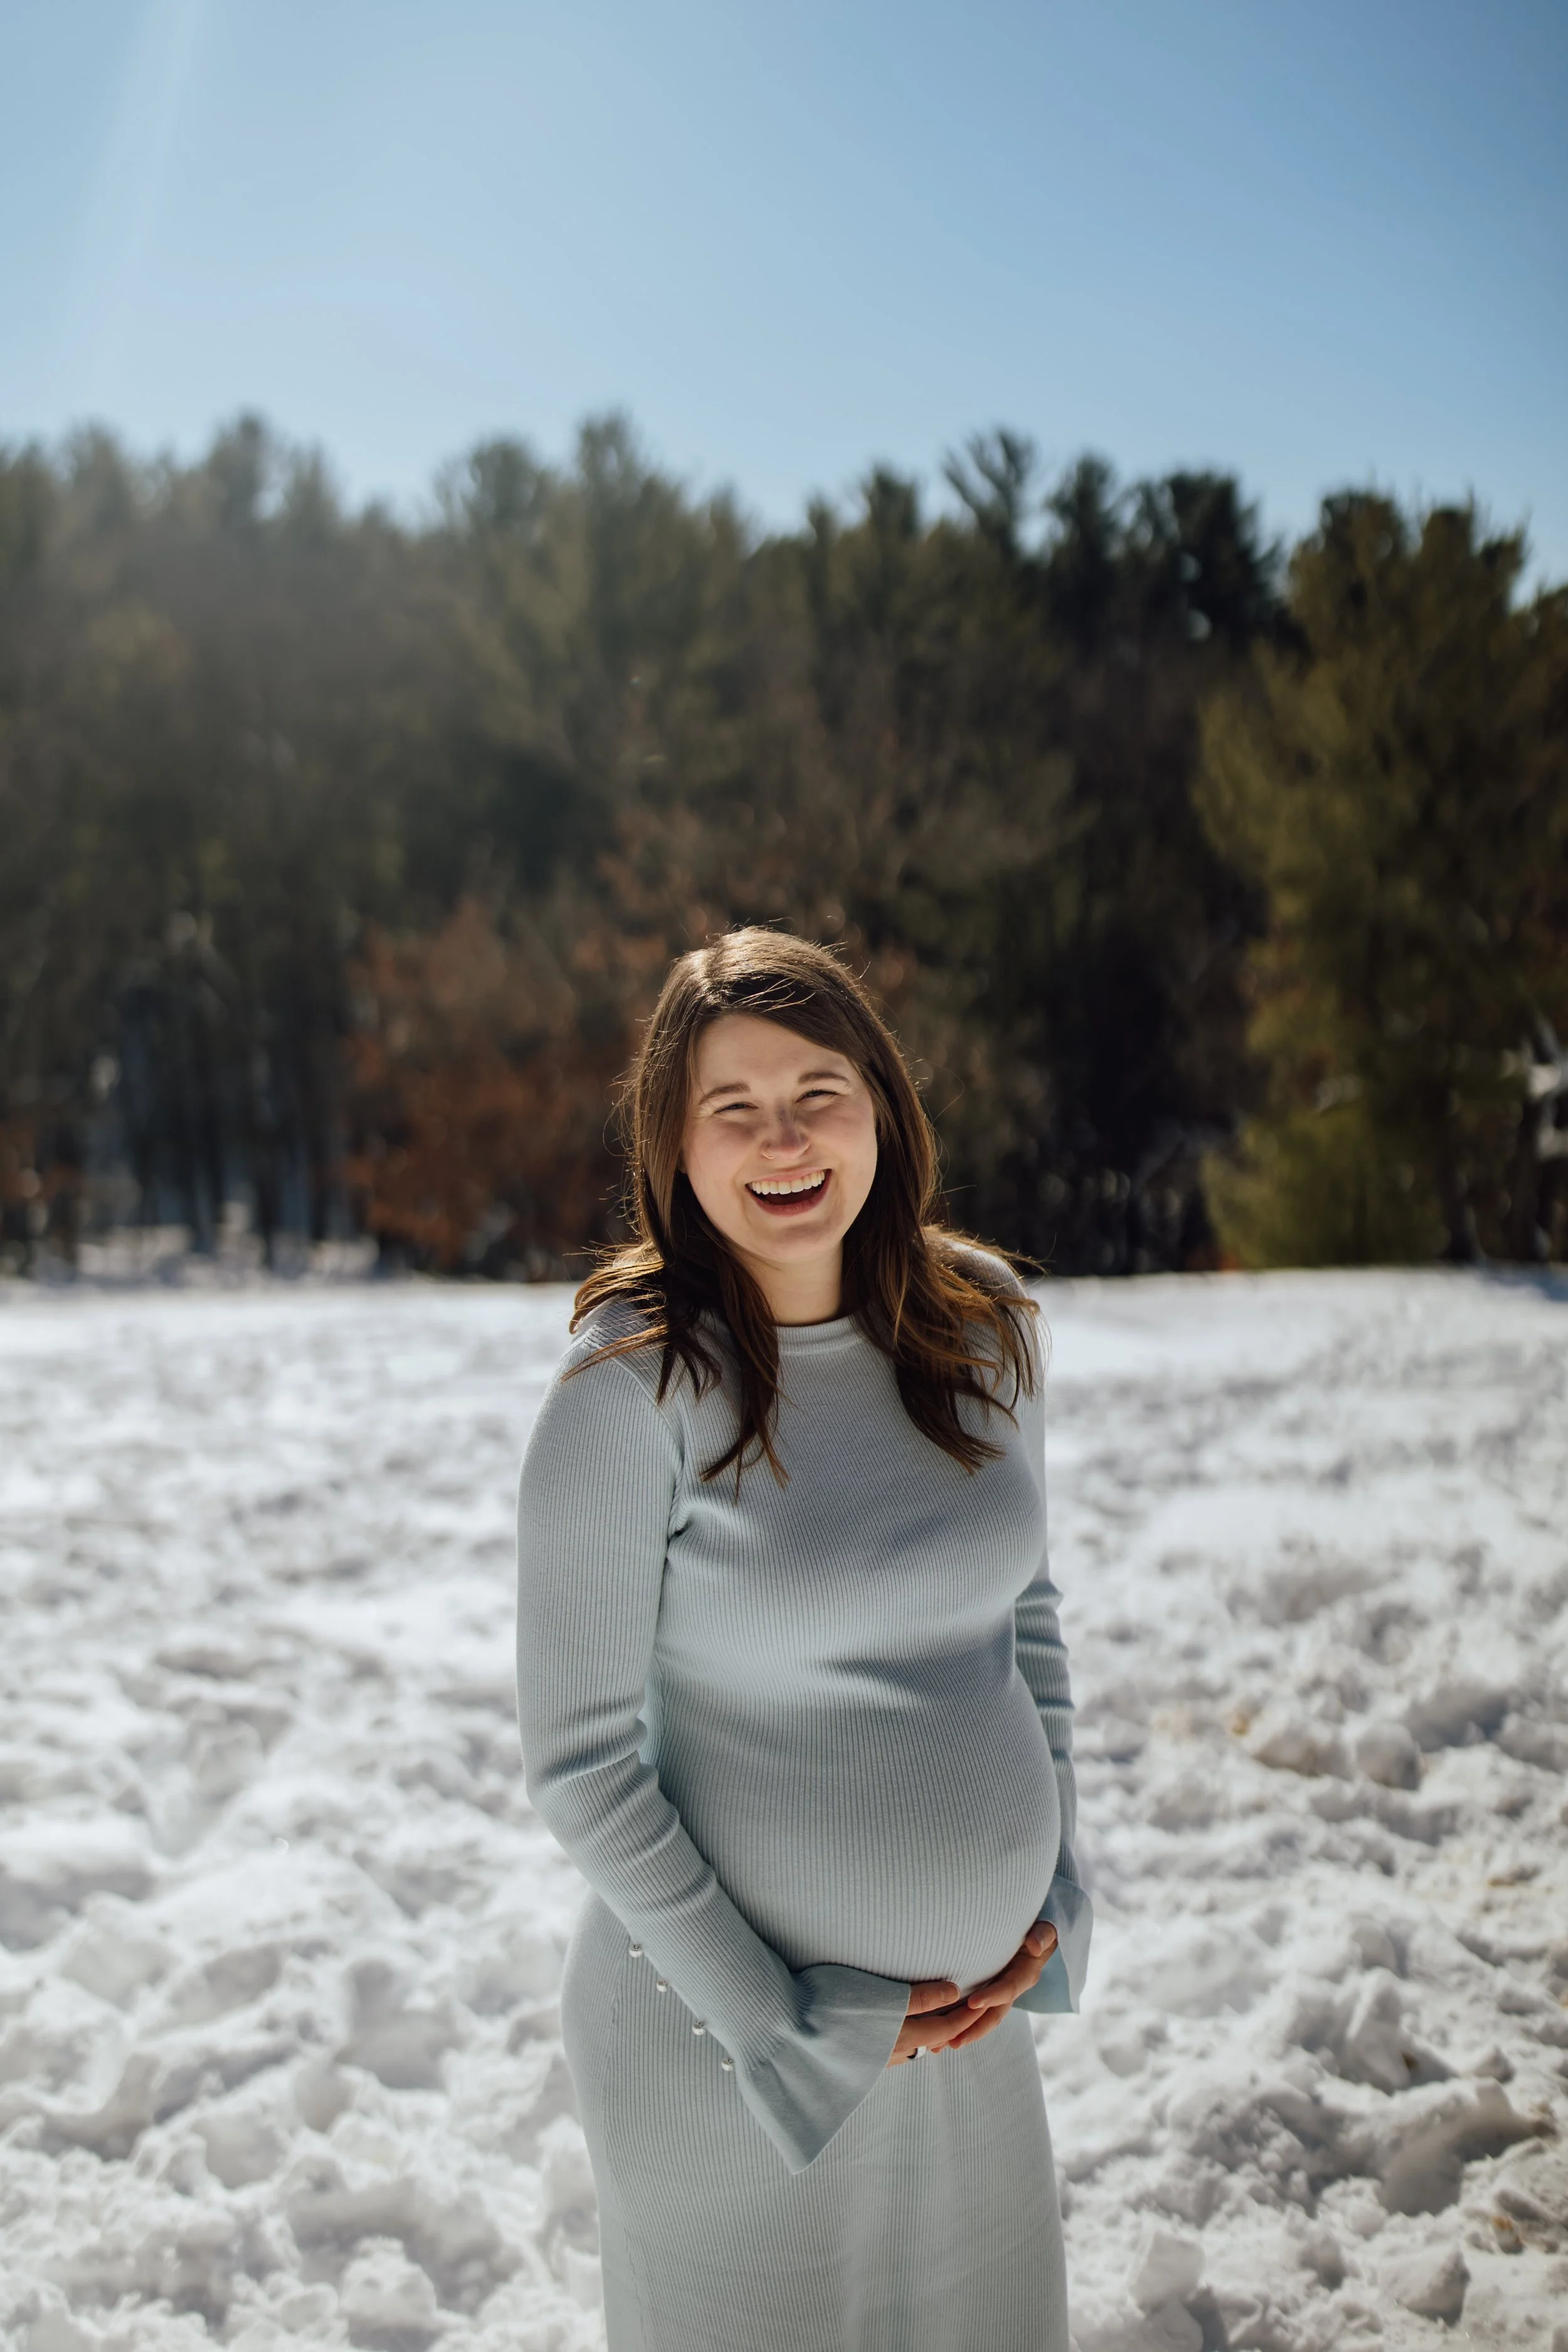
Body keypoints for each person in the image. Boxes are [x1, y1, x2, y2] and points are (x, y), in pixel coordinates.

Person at [514, 929, 1090, 2352]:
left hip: (971, 2044)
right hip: (728, 2057)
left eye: (817, 1092)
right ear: (675, 1147)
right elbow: (582, 1767)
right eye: (734, 1108)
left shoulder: (981, 1327)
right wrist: (784, 2025)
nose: (784, 1139)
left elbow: (1021, 1614)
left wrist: (1050, 1892)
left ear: (881, 1105)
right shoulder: (632, 1388)